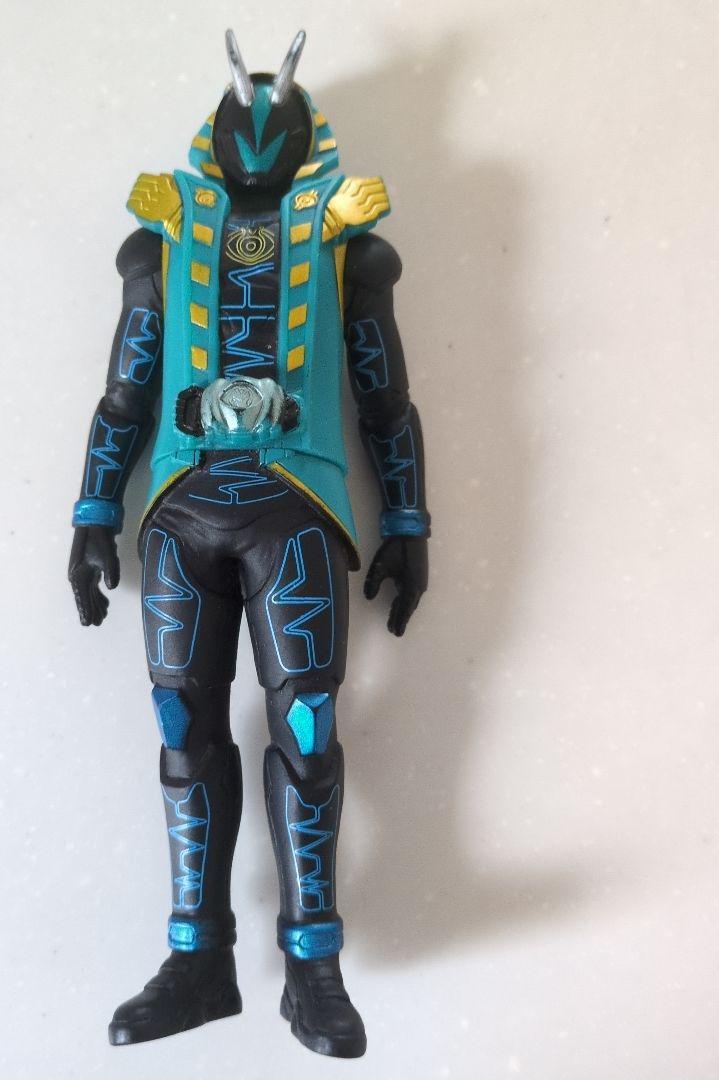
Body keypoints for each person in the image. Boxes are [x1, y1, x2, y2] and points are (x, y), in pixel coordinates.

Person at [68, 30, 429, 1059]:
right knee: (183, 722)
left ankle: (313, 964)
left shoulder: (349, 248)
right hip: (182, 509)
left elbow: (384, 397)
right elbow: (126, 391)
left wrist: (408, 519)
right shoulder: (161, 245)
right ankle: (199, 958)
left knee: (307, 728)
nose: (259, 143)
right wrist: (92, 513)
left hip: (295, 503)